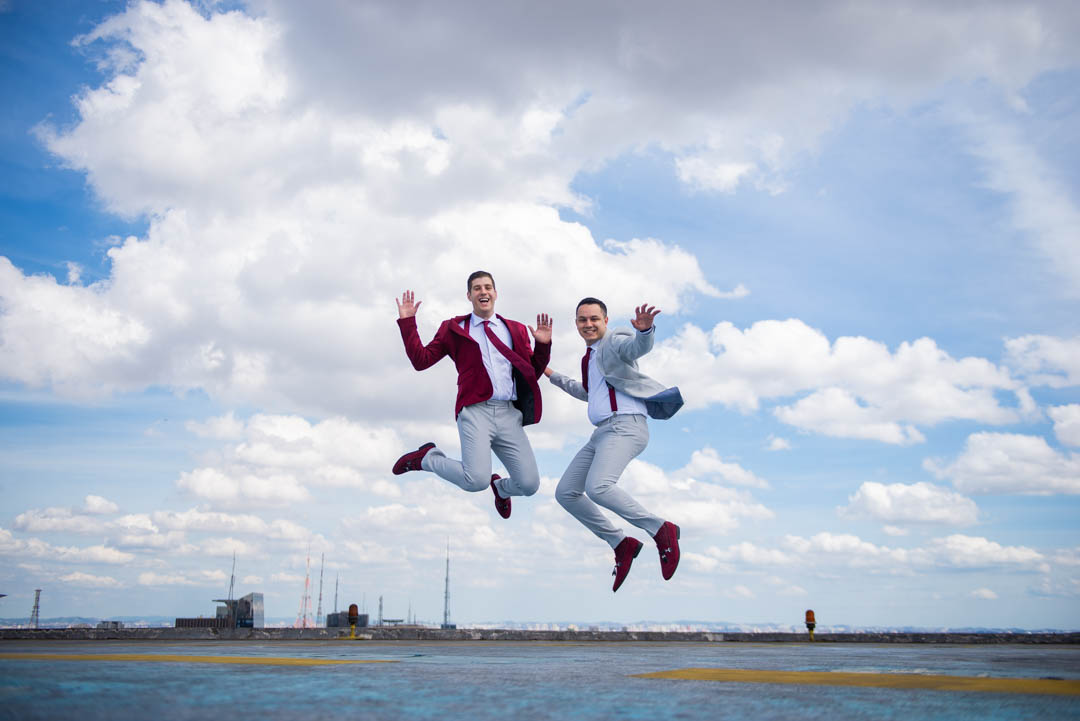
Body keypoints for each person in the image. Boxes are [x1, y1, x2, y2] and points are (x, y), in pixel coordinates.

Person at [544, 297, 683, 592]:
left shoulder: (615, 340)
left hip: (626, 425)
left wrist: (645, 332)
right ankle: (620, 543)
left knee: (599, 487)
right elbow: (587, 392)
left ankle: (660, 529)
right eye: (582, 320)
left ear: (605, 321)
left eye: (594, 319)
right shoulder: (590, 357)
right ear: (577, 325)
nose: (588, 324)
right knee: (566, 492)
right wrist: (550, 374)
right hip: (601, 433)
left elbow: (635, 348)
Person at [392, 271, 552, 520]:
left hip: (509, 414)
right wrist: (408, 323)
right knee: (475, 480)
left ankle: (500, 488)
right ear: (469, 296)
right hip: (475, 411)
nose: (483, 292)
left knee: (529, 484)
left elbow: (531, 373)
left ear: (495, 293)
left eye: (488, 287)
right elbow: (421, 361)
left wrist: (543, 345)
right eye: (477, 288)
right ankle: (428, 458)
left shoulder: (517, 330)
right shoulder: (454, 328)